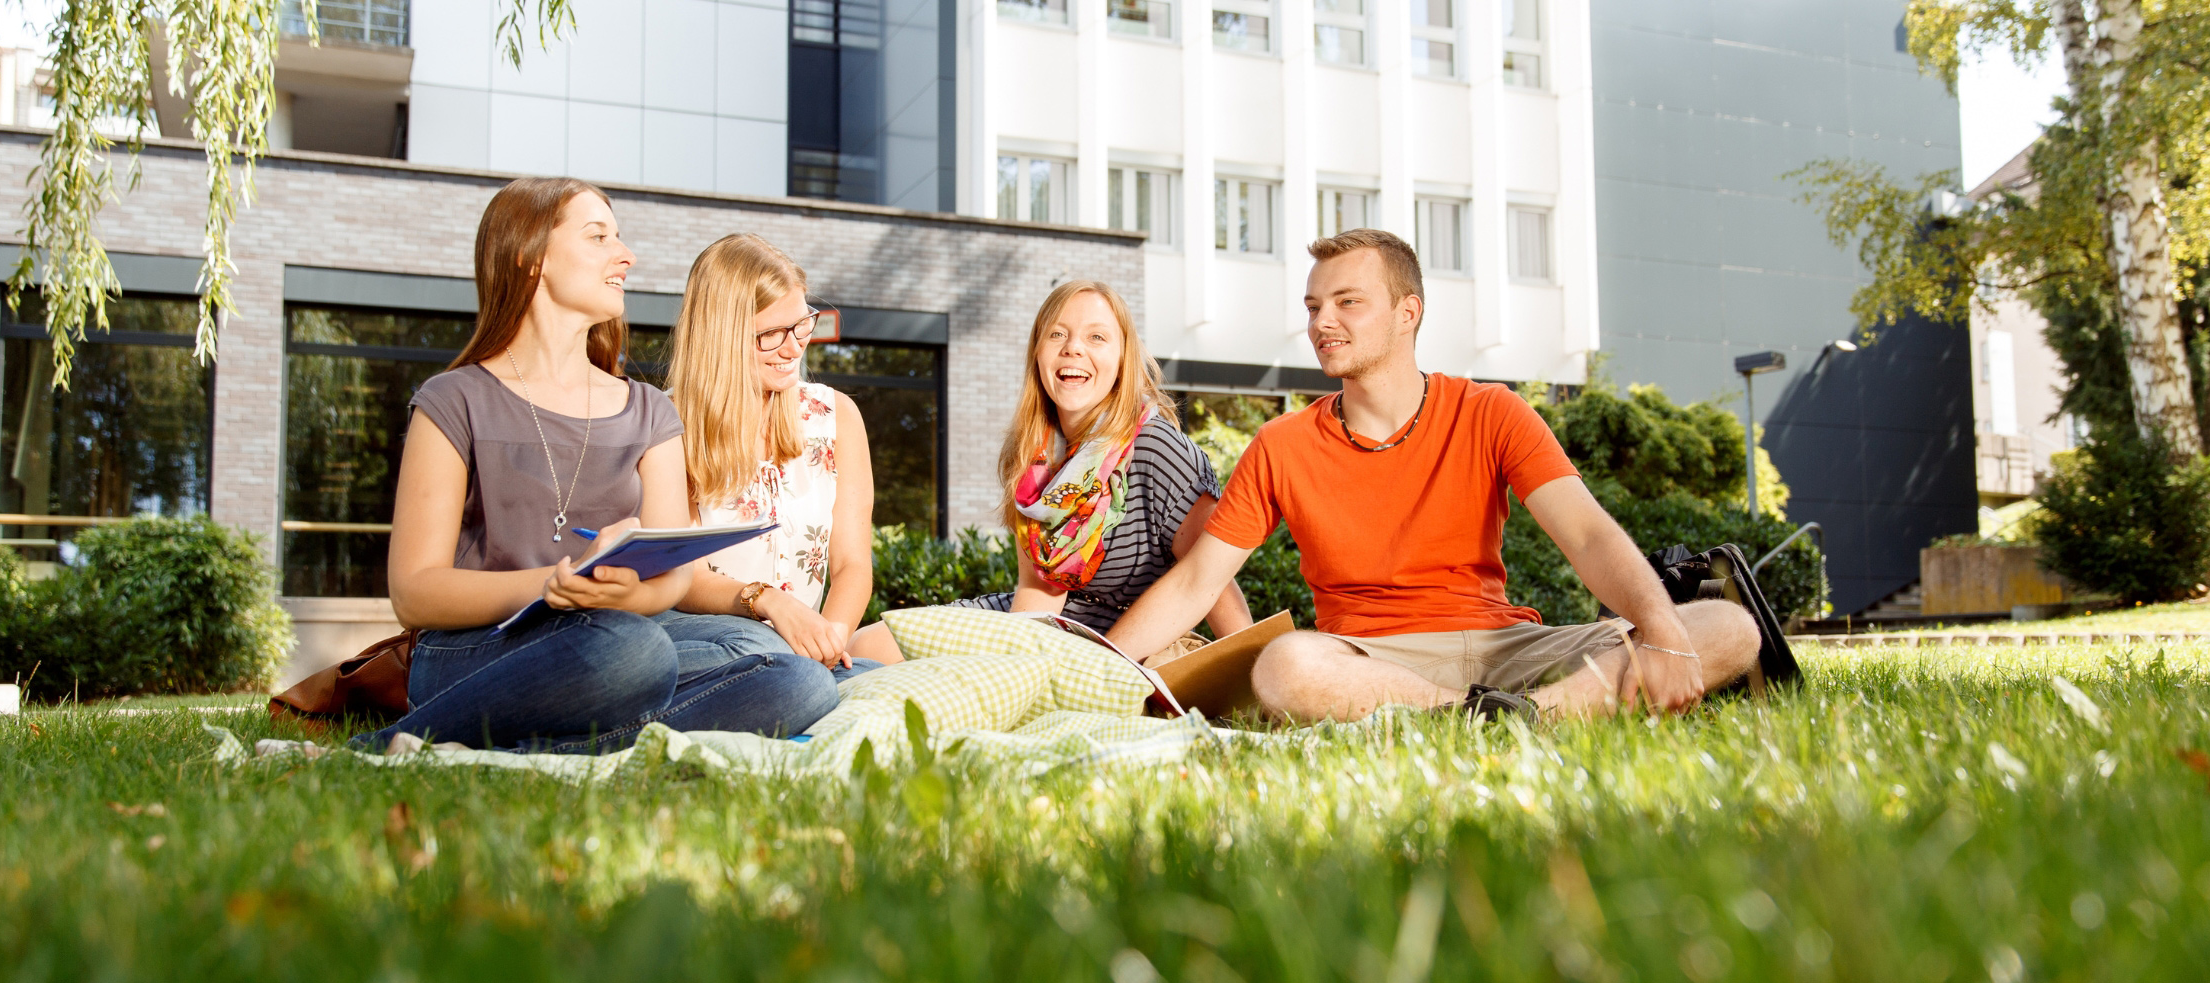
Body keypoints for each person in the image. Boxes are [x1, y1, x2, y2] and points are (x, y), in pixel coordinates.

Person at [1105, 229, 1762, 722]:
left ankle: (1529, 715)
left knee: (1729, 628)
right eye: (1312, 306)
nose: (1321, 322)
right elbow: (1196, 581)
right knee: (1287, 666)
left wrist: (1663, 627)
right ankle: (1496, 717)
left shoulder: (1492, 410)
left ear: (1407, 312)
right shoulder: (1281, 444)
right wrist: (1092, 662)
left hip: (1509, 645)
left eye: (1346, 302)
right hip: (1377, 660)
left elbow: (1587, 535)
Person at [364, 178, 839, 754]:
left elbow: (671, 580)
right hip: (479, 648)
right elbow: (415, 594)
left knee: (796, 673)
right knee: (632, 652)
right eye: (599, 237)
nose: (626, 255)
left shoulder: (649, 411)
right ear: (530, 255)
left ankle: (523, 752)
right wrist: (557, 586)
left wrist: (621, 597)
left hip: (621, 638)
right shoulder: (454, 399)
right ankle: (393, 743)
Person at [848, 280, 1250, 665]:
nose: (1073, 348)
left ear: (1123, 358)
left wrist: (1248, 679)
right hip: (1049, 623)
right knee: (869, 645)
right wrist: (1019, 658)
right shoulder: (1031, 454)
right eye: (1057, 334)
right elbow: (1039, 592)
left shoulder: (1157, 447)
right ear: (1038, 352)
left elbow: (1212, 579)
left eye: (1096, 337)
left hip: (1127, 636)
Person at [660, 233, 880, 679]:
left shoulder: (837, 416)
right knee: (760, 649)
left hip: (798, 657)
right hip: (714, 641)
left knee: (883, 686)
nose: (794, 346)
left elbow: (852, 566)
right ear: (721, 335)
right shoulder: (668, 423)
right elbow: (685, 581)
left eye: (802, 324)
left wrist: (827, 644)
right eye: (772, 334)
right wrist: (768, 600)